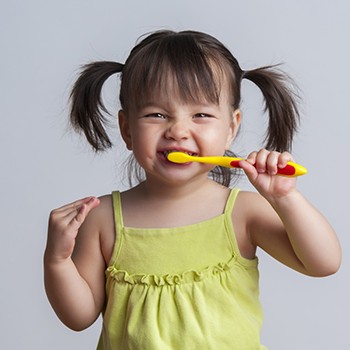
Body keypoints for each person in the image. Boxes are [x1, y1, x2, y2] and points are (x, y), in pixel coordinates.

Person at [44, 30, 341, 350]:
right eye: (156, 114)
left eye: (200, 115)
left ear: (230, 128)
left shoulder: (242, 213)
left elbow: (322, 263)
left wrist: (285, 198)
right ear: (127, 129)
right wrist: (57, 261)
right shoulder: (102, 219)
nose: (178, 131)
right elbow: (79, 317)